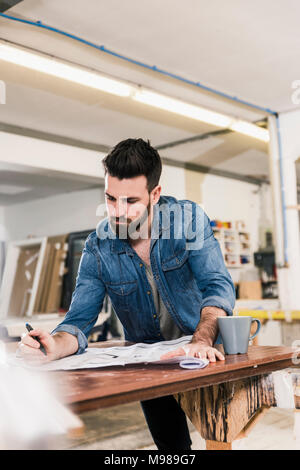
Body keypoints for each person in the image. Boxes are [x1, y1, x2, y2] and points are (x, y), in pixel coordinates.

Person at [18, 138, 235, 450]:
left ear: (155, 194)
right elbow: (78, 322)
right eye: (110, 198)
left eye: (131, 201)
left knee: (219, 437)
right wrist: (52, 346)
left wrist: (200, 341)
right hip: (151, 360)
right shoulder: (98, 247)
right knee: (172, 450)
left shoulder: (188, 221)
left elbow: (218, 287)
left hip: (204, 353)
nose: (118, 212)